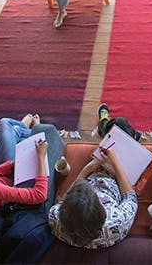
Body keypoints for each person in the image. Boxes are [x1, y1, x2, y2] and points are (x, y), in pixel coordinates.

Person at [48, 104, 137, 248]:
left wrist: (89, 168)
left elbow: (67, 199)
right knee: (121, 125)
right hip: (118, 178)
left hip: (94, 169)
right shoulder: (116, 224)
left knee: (116, 133)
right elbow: (130, 197)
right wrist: (115, 164)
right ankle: (105, 126)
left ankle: (105, 126)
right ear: (102, 213)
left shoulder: (55, 219)